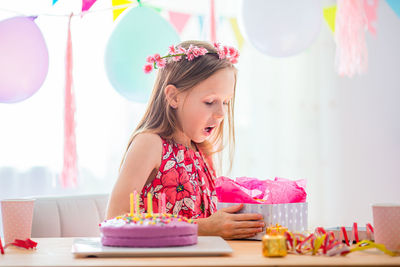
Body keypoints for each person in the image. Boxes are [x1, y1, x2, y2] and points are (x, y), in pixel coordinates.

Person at [106, 40, 264, 239]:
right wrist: (203, 227)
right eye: (210, 102)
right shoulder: (150, 144)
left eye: (226, 102)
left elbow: (207, 222)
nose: (221, 113)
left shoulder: (202, 151)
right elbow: (115, 220)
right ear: (173, 97)